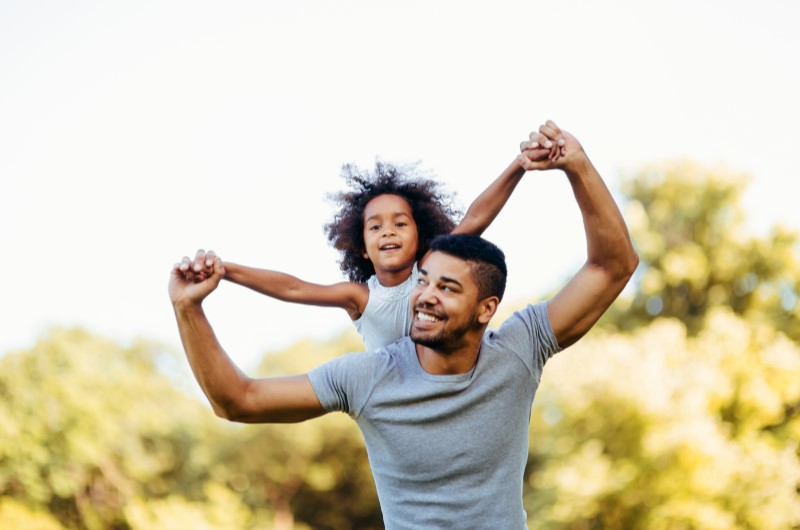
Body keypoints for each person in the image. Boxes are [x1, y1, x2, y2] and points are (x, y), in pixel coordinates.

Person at [169, 121, 639, 528]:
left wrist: (576, 165)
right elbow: (239, 400)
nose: (425, 294)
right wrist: (190, 309)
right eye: (425, 281)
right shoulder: (368, 376)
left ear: (486, 309)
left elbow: (613, 266)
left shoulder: (520, 348)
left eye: (447, 287)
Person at [212, 139, 558, 351]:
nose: (388, 232)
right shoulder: (360, 297)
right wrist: (226, 270)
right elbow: (293, 288)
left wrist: (519, 165)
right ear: (362, 247)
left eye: (400, 224)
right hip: (396, 400)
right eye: (375, 227)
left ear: (420, 236)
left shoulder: (429, 268)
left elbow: (475, 219)